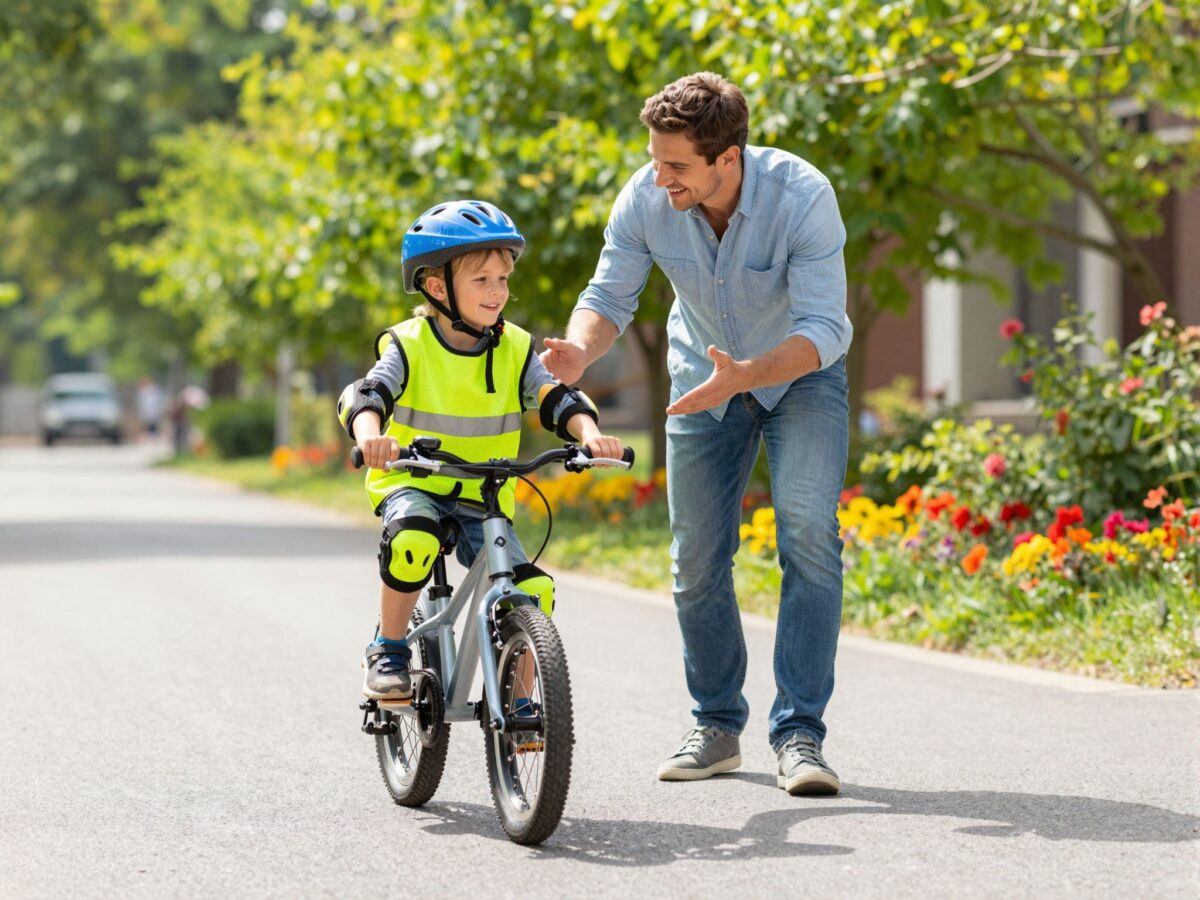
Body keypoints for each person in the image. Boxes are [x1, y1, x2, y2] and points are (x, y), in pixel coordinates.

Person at [540, 73, 853, 796]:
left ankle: (799, 734)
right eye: (655, 159)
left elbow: (823, 326)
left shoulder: (802, 197)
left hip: (801, 375)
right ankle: (716, 725)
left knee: (809, 534)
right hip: (701, 379)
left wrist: (749, 374)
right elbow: (608, 293)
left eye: (677, 165)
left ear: (728, 158)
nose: (661, 178)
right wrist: (581, 350)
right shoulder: (647, 195)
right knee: (695, 560)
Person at [337, 199, 623, 699]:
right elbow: (366, 395)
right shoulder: (408, 344)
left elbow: (555, 396)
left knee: (533, 591)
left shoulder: (515, 347)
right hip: (413, 481)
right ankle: (389, 648)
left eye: (504, 278)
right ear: (437, 287)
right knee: (413, 542)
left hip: (482, 494)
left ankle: (520, 709)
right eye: (482, 279)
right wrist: (370, 438)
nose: (498, 291)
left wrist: (588, 433)